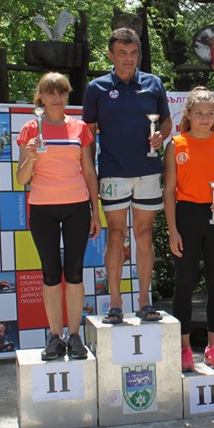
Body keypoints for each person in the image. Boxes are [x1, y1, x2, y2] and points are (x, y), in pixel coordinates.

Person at [83, 27, 172, 324]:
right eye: (122, 53)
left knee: (144, 234)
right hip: (113, 172)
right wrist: (89, 171)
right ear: (111, 55)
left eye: (133, 53)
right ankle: (115, 303)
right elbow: (88, 134)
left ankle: (145, 300)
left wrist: (161, 135)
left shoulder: (153, 83)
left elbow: (167, 122)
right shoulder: (96, 88)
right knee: (116, 235)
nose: (128, 59)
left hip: (148, 171)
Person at [17, 72, 101, 360]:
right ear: (40, 97)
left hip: (77, 207)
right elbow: (21, 178)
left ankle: (74, 336)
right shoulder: (30, 128)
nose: (57, 98)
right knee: (51, 273)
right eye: (51, 93)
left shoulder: (79, 128)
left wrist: (96, 212)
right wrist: (31, 156)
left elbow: (89, 172)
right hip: (43, 208)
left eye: (62, 92)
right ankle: (55, 337)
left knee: (74, 273)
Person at [163, 87, 214, 372]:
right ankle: (185, 349)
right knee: (184, 285)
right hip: (187, 216)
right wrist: (173, 230)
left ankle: (213, 348)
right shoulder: (176, 144)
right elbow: (169, 191)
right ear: (188, 114)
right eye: (199, 113)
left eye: (210, 113)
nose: (205, 119)